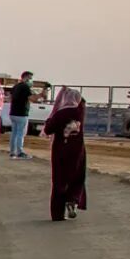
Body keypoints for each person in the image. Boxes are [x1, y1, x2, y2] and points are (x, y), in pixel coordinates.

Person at [42, 86, 88, 221]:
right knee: (77, 177)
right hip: (78, 150)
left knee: (59, 180)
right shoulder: (80, 112)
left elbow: (49, 129)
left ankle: (57, 214)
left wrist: (56, 106)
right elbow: (82, 102)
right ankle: (72, 200)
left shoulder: (60, 114)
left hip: (61, 150)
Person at [8, 71, 36, 159]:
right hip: (21, 114)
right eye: (30, 78)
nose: (31, 80)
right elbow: (32, 99)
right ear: (26, 77)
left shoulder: (16, 86)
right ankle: (20, 152)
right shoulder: (25, 87)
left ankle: (12, 152)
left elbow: (10, 97)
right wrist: (41, 95)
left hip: (13, 113)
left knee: (14, 133)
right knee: (20, 133)